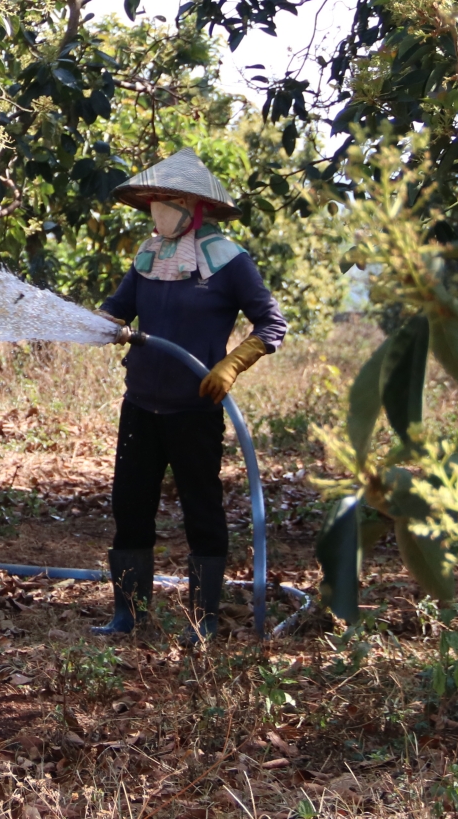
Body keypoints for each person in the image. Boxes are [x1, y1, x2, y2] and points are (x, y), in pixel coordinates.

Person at [92, 146, 287, 645]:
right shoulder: (148, 256)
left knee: (202, 511)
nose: (158, 209)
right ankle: (128, 614)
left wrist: (232, 364)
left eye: (169, 200)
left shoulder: (229, 261)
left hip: (194, 410)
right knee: (129, 507)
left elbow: (271, 324)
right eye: (154, 200)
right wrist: (102, 323)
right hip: (141, 405)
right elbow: (118, 308)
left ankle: (204, 619)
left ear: (195, 206)